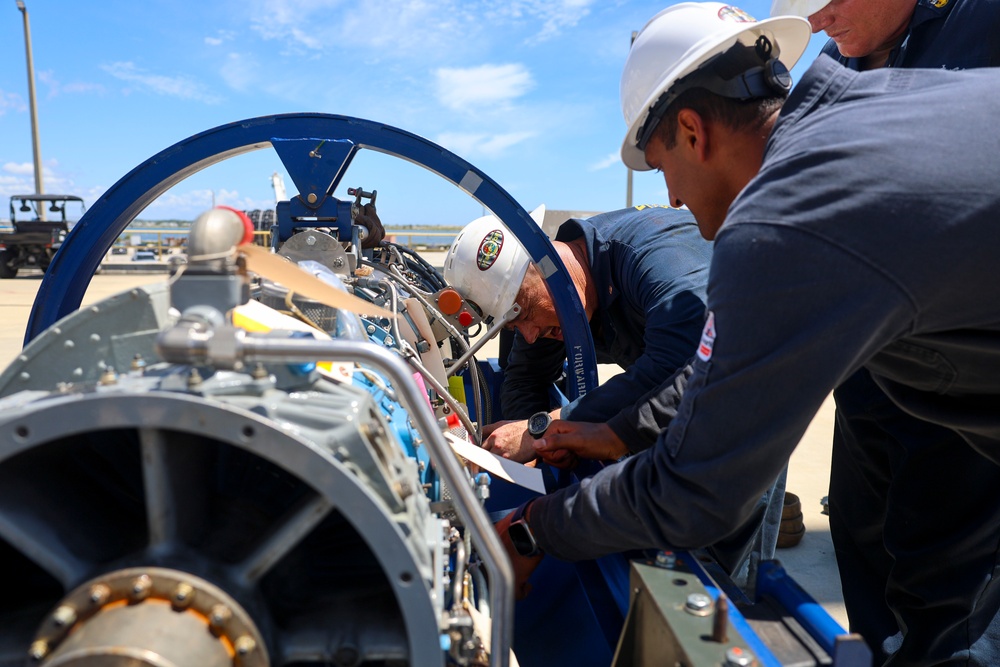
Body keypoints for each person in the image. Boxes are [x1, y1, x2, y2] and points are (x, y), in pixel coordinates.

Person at [497, 3, 1000, 665]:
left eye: (661, 166)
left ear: (691, 130)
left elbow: (694, 491)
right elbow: (731, 369)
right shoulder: (867, 114)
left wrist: (534, 531)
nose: (671, 199)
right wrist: (614, 433)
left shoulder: (788, 216)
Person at [768, 0, 1000, 658]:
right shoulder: (837, 71)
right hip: (870, 377)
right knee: (861, 541)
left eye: (828, 4)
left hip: (957, 390)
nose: (819, 22)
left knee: (941, 581)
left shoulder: (980, 25)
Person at [444, 205, 713, 465]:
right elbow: (526, 378)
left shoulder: (656, 259)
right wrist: (537, 449)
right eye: (513, 326)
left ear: (545, 263)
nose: (529, 336)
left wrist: (547, 427)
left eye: (523, 313)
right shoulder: (552, 297)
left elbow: (682, 370)